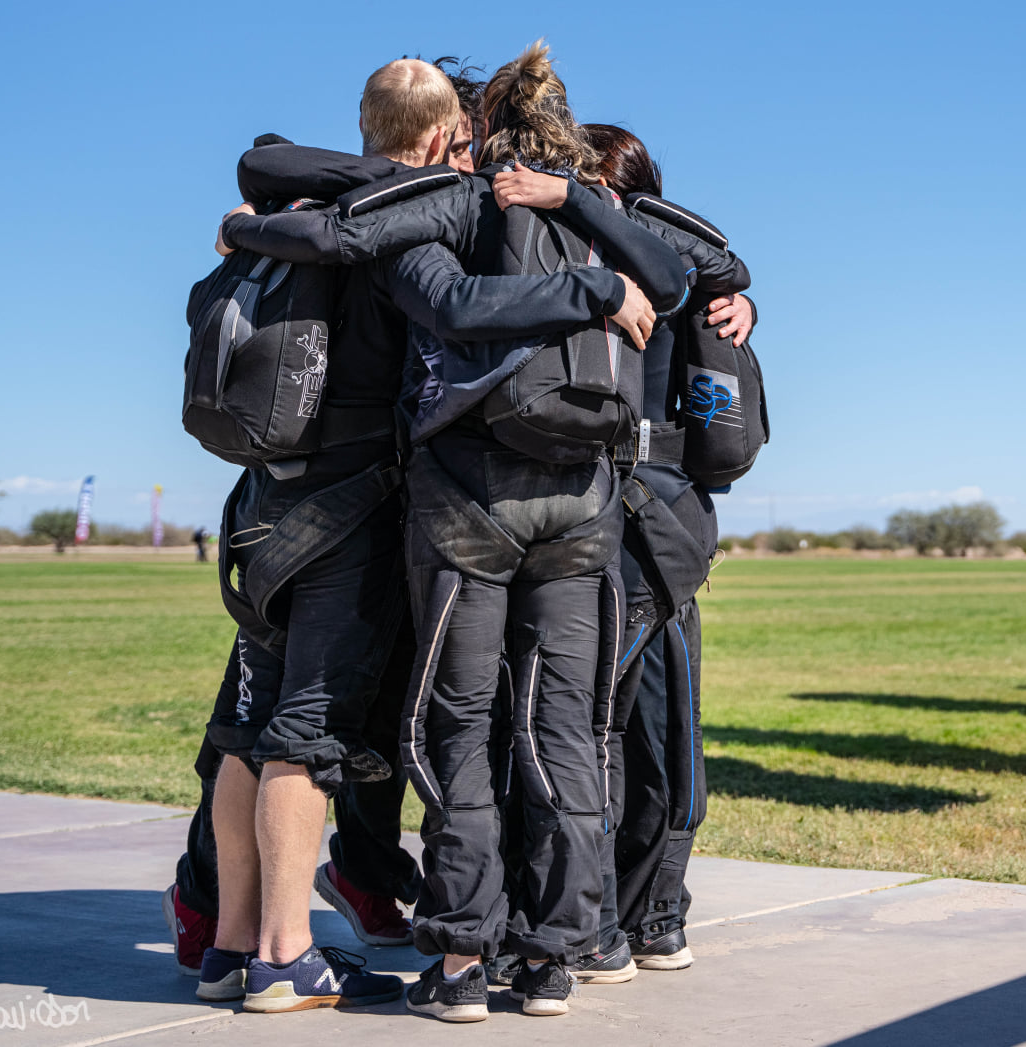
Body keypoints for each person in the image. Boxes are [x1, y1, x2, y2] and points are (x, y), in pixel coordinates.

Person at [218, 41, 688, 1020]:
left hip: (450, 500)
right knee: (565, 729)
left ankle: (458, 961)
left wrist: (253, 227)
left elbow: (435, 295)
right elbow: (687, 273)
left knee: (451, 727)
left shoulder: (427, 206)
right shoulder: (586, 210)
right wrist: (594, 255)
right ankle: (560, 952)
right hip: (583, 499)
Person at [190, 58, 475, 1015]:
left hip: (262, 504)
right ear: (440, 138)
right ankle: (285, 956)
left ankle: (230, 948)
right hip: (349, 515)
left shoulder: (296, 204)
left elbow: (260, 157)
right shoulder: (415, 208)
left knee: (244, 729)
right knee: (303, 740)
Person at [566, 124, 753, 980]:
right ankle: (623, 916)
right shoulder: (575, 261)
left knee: (627, 724)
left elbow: (719, 266)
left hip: (646, 529)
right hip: (644, 529)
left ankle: (647, 914)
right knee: (612, 724)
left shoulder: (669, 269)